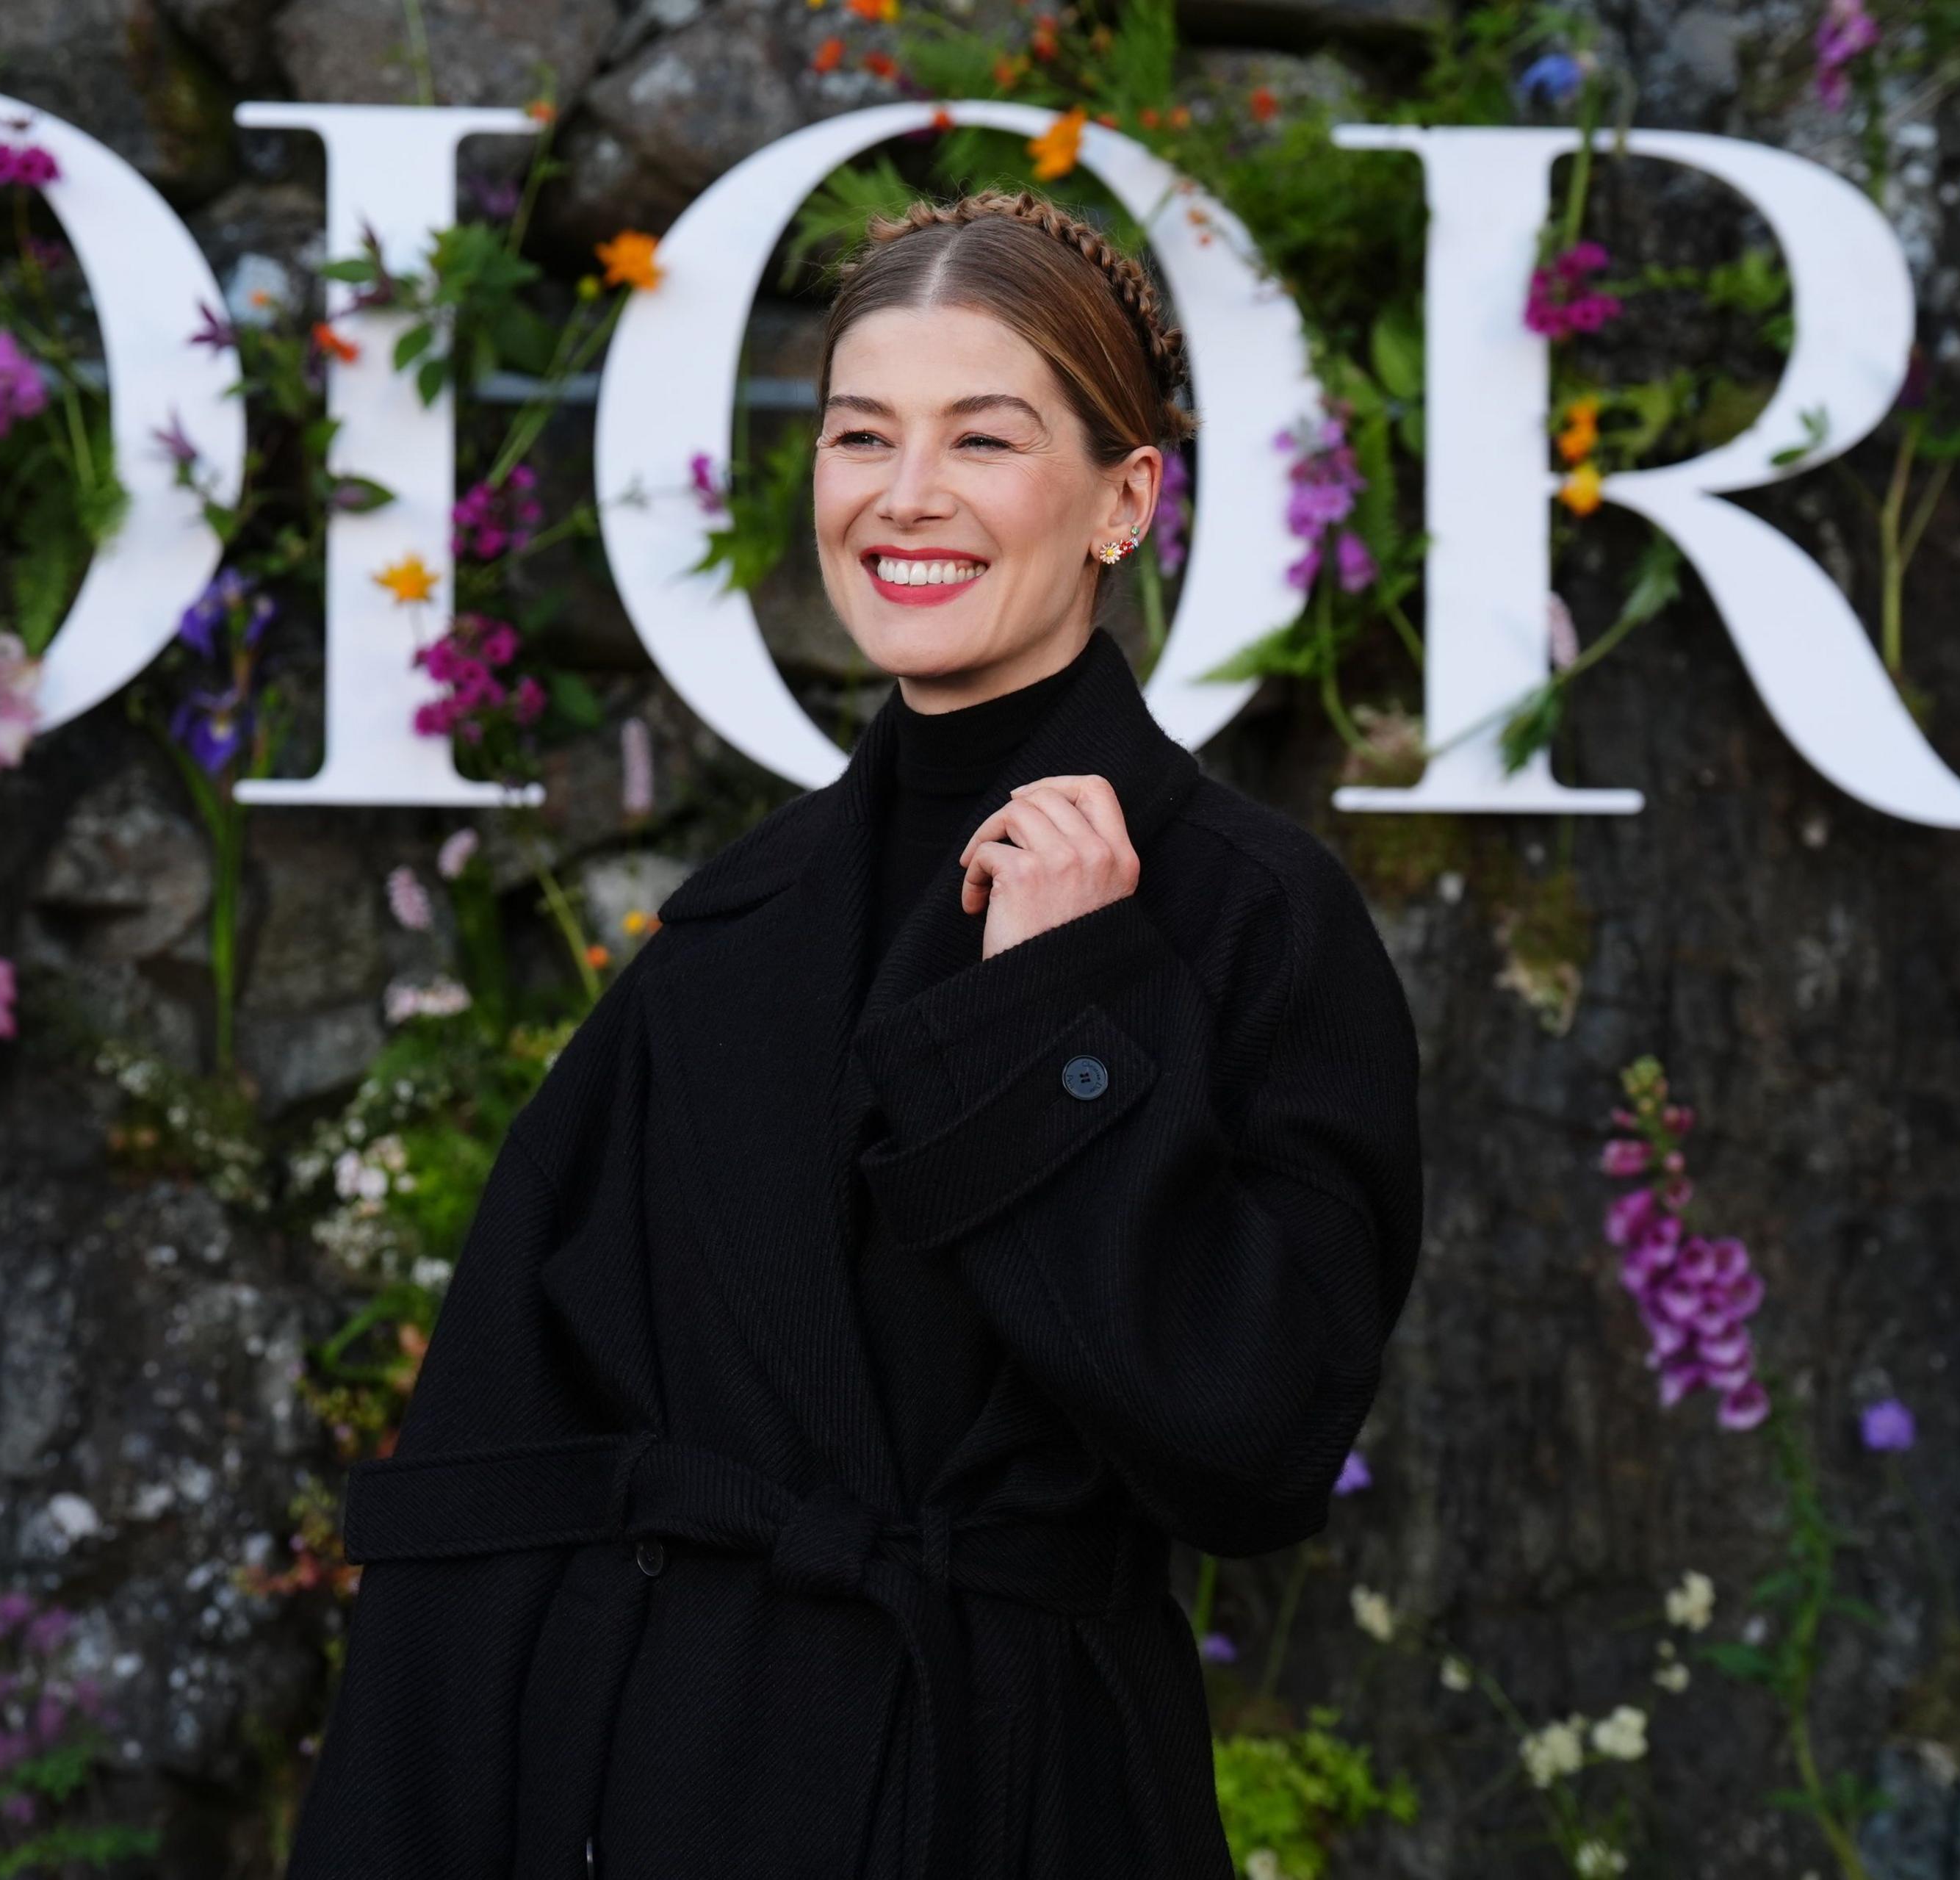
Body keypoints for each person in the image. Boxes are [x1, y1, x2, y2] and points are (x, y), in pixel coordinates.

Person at [283, 187, 1422, 1880]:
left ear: (1126, 499)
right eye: (859, 435)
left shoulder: (1253, 916)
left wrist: (1062, 1010)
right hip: (673, 1793)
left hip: (1032, 1799)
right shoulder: (731, 933)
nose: (906, 497)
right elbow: (494, 1472)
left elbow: (1249, 1445)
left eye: (985, 437)